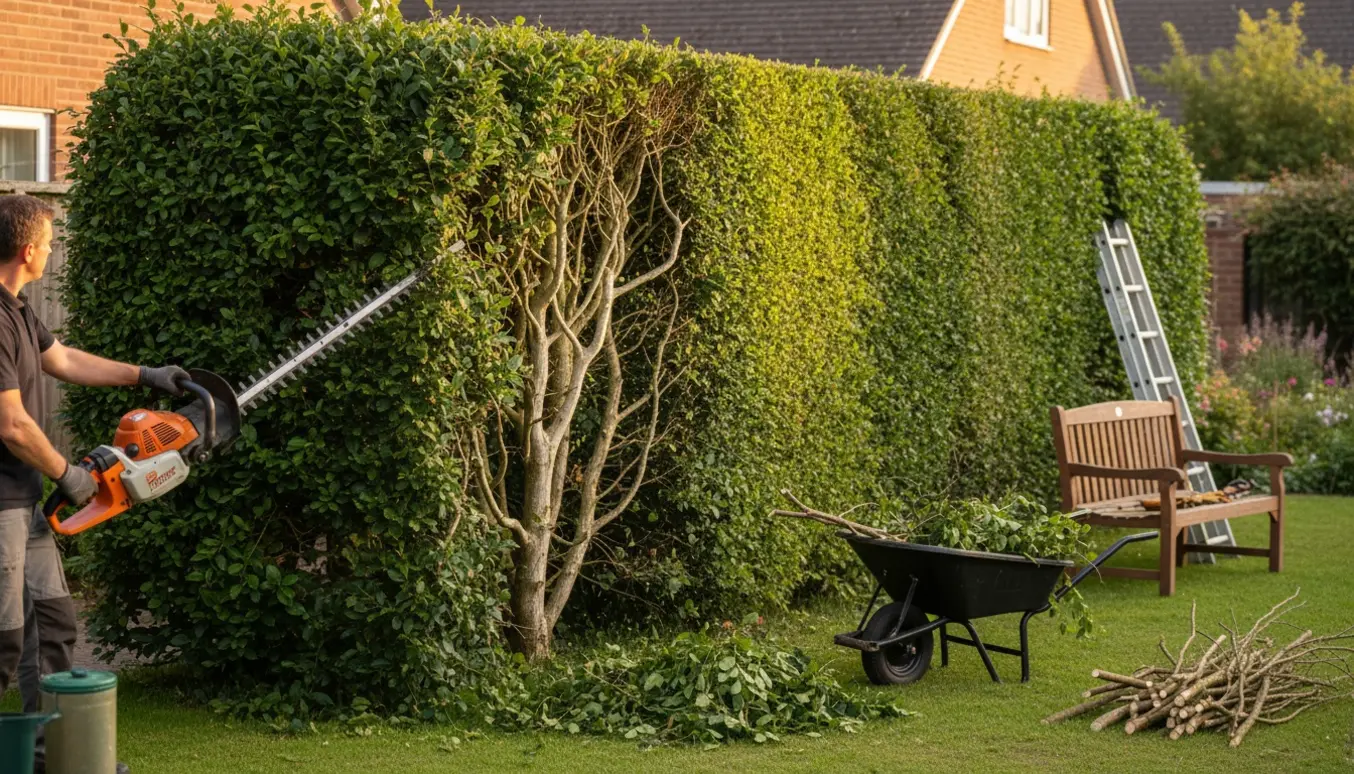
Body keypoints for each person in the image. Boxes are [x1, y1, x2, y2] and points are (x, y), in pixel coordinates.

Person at [0, 194, 184, 773]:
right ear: (29, 250)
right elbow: (10, 423)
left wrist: (144, 375)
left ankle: (55, 755)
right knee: (3, 640)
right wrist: (68, 474)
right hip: (0, 503)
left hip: (24, 500)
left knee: (53, 624)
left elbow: (67, 361)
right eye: (50, 242)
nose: (53, 251)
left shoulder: (20, 311)